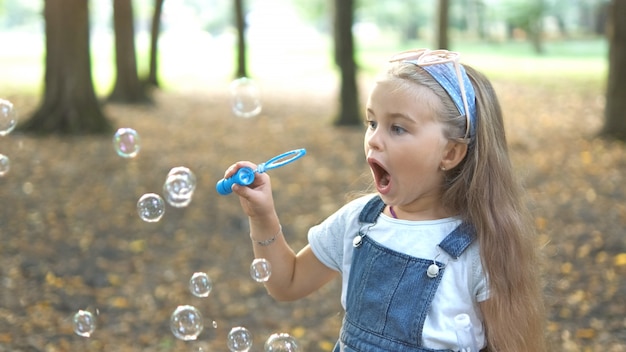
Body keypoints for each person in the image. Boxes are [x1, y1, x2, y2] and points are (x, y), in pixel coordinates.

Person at [221, 48, 547, 351]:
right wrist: (261, 215)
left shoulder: (479, 250)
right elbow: (286, 283)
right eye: (372, 123)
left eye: (398, 128)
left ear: (450, 152)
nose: (374, 139)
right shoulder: (359, 222)